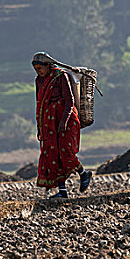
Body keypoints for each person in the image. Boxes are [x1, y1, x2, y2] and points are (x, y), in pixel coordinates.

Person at [32, 52, 92, 198]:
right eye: (36, 69)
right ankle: (62, 191)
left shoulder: (61, 76)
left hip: (66, 118)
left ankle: (84, 174)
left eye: (40, 68)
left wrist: (64, 121)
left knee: (66, 152)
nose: (39, 72)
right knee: (53, 154)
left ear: (48, 65)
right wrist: (40, 127)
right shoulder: (38, 81)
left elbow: (69, 101)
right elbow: (39, 104)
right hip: (49, 121)